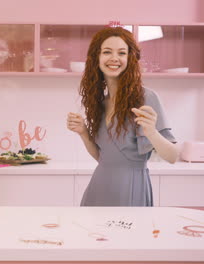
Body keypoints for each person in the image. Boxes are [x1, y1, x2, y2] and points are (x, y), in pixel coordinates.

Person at [66, 27, 178, 206]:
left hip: (132, 188)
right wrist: (84, 133)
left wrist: (151, 132)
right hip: (99, 187)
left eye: (122, 53)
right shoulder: (100, 103)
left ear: (130, 58)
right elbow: (103, 159)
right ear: (97, 58)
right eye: (107, 52)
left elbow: (173, 156)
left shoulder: (146, 98)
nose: (114, 58)